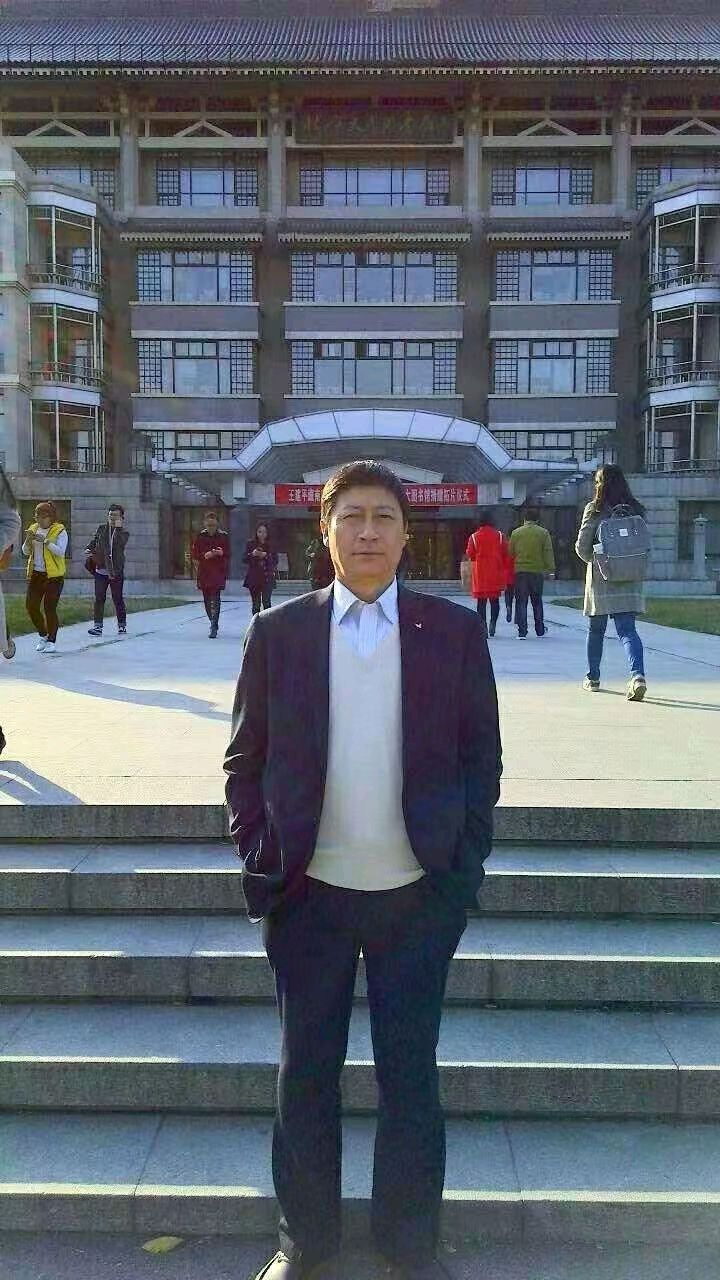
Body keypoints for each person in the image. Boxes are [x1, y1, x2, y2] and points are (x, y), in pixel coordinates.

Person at [225, 460, 502, 1280]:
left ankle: (409, 1245)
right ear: (326, 531)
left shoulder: (453, 633)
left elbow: (481, 760)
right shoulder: (279, 633)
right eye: (353, 516)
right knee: (304, 1076)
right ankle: (302, 1242)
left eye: (384, 516)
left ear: (407, 534)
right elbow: (245, 762)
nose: (369, 532)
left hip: (417, 897)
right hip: (308, 896)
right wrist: (262, 857)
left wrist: (461, 871)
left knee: (410, 1078)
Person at [575, 464, 648, 701]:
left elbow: (582, 547)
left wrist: (597, 561)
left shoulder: (595, 509)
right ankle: (637, 676)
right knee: (628, 630)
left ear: (600, 484)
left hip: (602, 579)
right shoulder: (636, 509)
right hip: (630, 578)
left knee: (596, 630)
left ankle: (593, 678)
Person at [21, 501, 68, 655]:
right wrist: (28, 541)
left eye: (43, 517)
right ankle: (43, 635)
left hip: (54, 576)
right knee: (31, 606)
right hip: (37, 574)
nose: (39, 520)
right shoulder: (33, 529)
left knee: (49, 608)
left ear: (51, 517)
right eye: (37, 517)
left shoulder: (59, 530)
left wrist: (46, 542)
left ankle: (51, 641)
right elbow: (25, 552)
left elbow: (61, 552)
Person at [508, 505, 555, 639]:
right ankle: (539, 630)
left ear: (524, 520)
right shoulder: (543, 533)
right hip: (536, 571)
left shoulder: (516, 533)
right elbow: (548, 552)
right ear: (537, 520)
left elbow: (510, 552)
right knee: (537, 601)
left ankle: (522, 631)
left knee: (521, 602)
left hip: (520, 571)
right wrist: (551, 570)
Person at [86, 503, 129, 637]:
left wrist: (117, 528)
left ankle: (122, 625)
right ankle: (97, 626)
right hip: (101, 570)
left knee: (117, 598)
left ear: (121, 518)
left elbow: (119, 544)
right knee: (99, 598)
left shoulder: (123, 533)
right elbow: (95, 541)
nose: (112, 517)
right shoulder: (102, 529)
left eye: (115, 515)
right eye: (110, 515)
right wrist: (89, 548)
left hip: (115, 571)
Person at [465, 510, 511, 637]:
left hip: (480, 574)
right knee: (495, 601)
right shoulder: (500, 536)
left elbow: (470, 554)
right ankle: (493, 623)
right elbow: (506, 553)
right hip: (495, 573)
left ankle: (483, 627)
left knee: (481, 603)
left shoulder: (474, 537)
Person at [191, 511, 230, 639]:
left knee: (216, 598)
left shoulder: (223, 536)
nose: (211, 527)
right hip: (205, 572)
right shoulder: (200, 537)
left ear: (217, 524)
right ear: (205, 524)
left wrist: (221, 553)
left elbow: (229, 553)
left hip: (218, 572)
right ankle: (212, 620)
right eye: (209, 525)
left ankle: (214, 625)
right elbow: (195, 554)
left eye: (213, 525)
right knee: (207, 600)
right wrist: (205, 555)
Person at [243, 522, 278, 615]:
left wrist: (266, 555)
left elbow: (275, 560)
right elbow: (244, 559)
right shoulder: (250, 544)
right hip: (254, 578)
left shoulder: (271, 545)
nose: (262, 534)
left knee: (267, 602)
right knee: (256, 604)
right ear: (256, 532)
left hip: (267, 577)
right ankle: (256, 622)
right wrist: (252, 554)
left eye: (264, 532)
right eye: (260, 532)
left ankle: (267, 622)